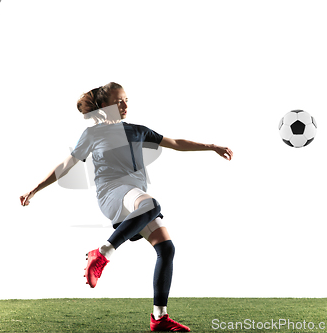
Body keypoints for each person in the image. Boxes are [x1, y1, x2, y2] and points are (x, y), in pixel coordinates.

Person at [20, 82, 233, 332]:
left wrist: (211, 147)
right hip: (112, 193)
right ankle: (102, 254)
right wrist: (34, 188)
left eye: (126, 99)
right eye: (117, 101)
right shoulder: (93, 134)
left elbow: (175, 142)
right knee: (151, 203)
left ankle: (159, 318)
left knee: (167, 248)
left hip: (134, 198)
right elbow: (65, 165)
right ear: (102, 107)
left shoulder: (136, 131)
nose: (124, 105)